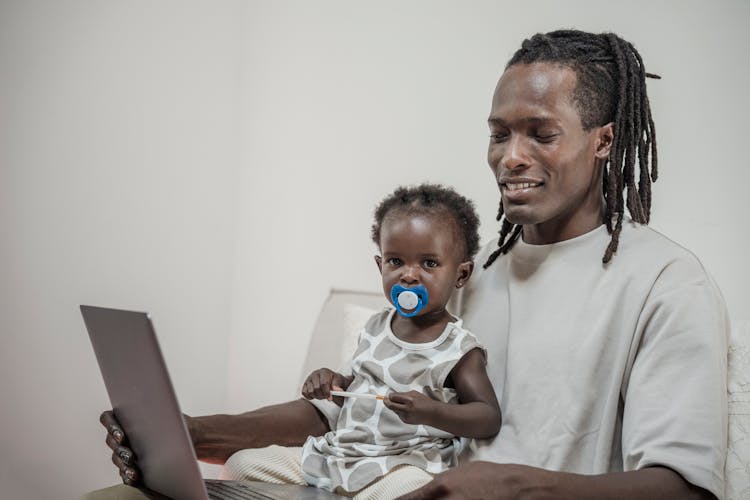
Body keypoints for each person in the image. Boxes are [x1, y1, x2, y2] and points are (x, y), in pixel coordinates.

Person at [94, 29, 728, 500]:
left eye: (541, 132)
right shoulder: (462, 276)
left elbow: (684, 489)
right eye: (499, 133)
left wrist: (509, 485)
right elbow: (358, 405)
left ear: (604, 140)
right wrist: (200, 434)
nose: (510, 156)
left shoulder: (666, 285)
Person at [222, 184, 500, 498]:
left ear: (461, 275)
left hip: (402, 466)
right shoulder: (377, 324)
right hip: (339, 455)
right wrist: (332, 383)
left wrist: (431, 411)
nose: (409, 275)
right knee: (241, 464)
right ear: (380, 266)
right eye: (396, 261)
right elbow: (357, 389)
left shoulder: (458, 348)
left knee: (413, 491)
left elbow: (487, 417)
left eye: (429, 264)